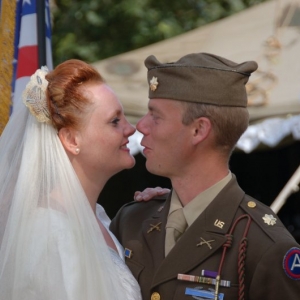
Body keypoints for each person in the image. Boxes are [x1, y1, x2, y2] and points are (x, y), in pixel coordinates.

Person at [110, 53, 300, 300]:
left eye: (155, 116)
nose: (141, 126)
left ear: (199, 130)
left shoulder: (265, 245)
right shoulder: (132, 221)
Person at [0, 59, 152, 300]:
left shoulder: (99, 217)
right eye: (115, 121)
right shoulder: (49, 231)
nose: (131, 129)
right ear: (71, 140)